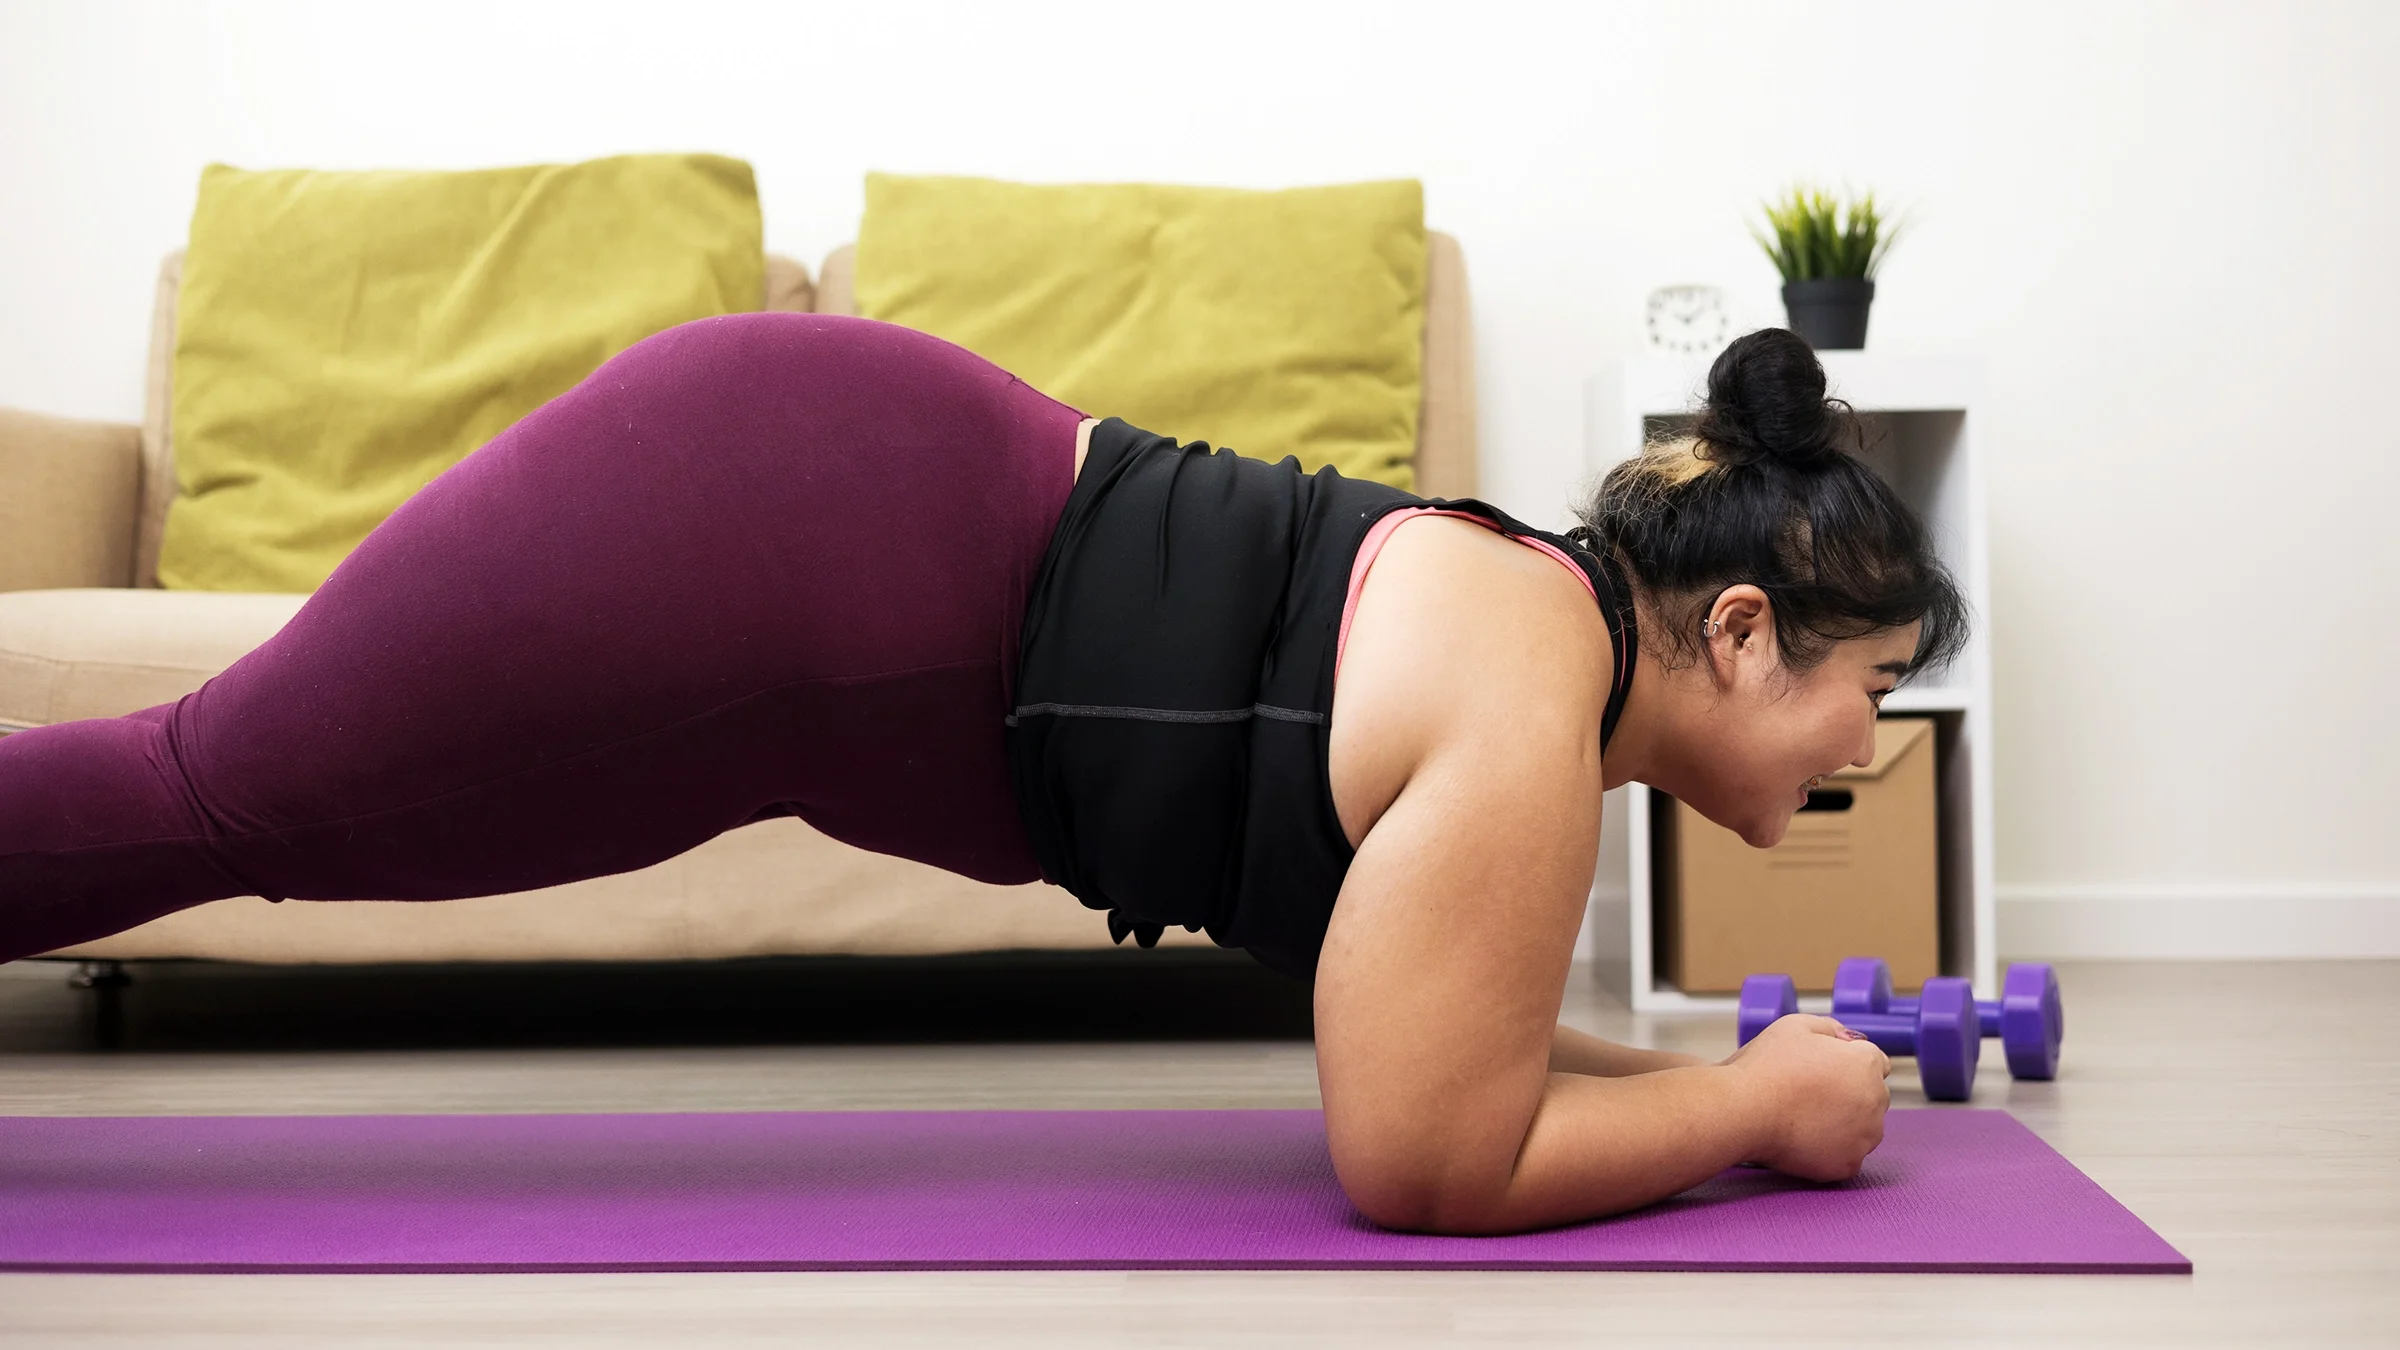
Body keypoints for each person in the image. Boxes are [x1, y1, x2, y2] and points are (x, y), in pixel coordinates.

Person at [0, 314, 1967, 1236]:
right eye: (1867, 684)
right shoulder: (1533, 702)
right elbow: (1426, 1158)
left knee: (253, 820)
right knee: (226, 794)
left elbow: (1447, 1054)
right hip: (784, 527)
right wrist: (1750, 1121)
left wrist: (1726, 1087)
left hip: (815, 548)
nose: (1867, 748)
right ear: (1734, 634)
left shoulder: (1543, 661)